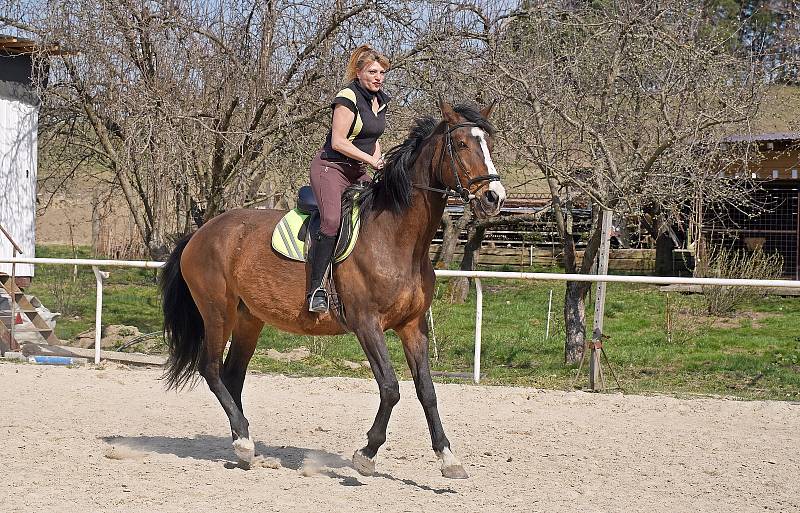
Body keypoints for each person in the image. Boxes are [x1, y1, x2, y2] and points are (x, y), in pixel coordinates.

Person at [307, 44, 391, 313]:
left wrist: (379, 161)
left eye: (382, 72)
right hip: (330, 169)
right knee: (331, 221)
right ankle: (316, 289)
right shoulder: (347, 97)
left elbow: (373, 140)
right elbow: (339, 141)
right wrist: (370, 161)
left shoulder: (381, 101)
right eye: (372, 72)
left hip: (357, 171)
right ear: (358, 72)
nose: (378, 77)